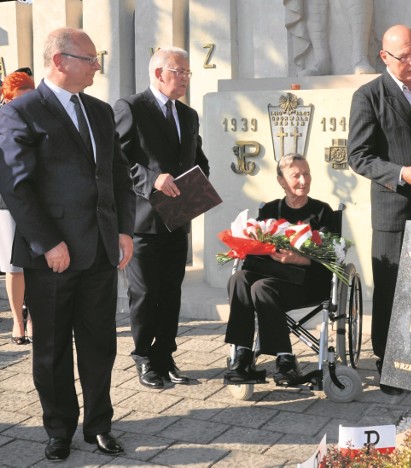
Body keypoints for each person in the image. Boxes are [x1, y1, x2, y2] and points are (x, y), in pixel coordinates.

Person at [0, 28, 135, 461]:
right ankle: (58, 429)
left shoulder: (99, 111)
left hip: (99, 250)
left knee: (100, 344)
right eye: (90, 59)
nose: (98, 66)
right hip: (52, 257)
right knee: (52, 348)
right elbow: (16, 186)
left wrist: (124, 230)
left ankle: (99, 426)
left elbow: (118, 174)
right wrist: (47, 242)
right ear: (60, 60)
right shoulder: (21, 111)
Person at [348, 24, 411, 395]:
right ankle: (389, 364)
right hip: (396, 208)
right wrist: (401, 173)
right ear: (384, 57)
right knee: (393, 288)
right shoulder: (369, 96)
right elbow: (359, 157)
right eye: (403, 56)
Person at [114, 47, 210, 390]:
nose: (185, 78)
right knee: (143, 293)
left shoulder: (188, 114)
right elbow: (118, 160)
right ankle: (143, 357)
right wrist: (152, 179)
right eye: (180, 71)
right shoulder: (131, 108)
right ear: (159, 73)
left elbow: (197, 158)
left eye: (187, 73)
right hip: (140, 222)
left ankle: (165, 356)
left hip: (176, 219)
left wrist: (198, 186)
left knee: (170, 292)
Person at [224, 154, 334, 385]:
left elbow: (331, 257)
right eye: (296, 175)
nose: (303, 180)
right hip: (274, 279)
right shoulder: (270, 210)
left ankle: (285, 359)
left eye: (306, 173)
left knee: (262, 288)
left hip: (309, 284)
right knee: (239, 278)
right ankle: (242, 355)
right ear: (281, 181)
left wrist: (299, 259)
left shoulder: (323, 212)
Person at [0, 69, 35, 345]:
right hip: (6, 203)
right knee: (14, 266)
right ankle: (18, 321)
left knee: (38, 262)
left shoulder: (42, 119)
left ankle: (36, 319)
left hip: (38, 200)